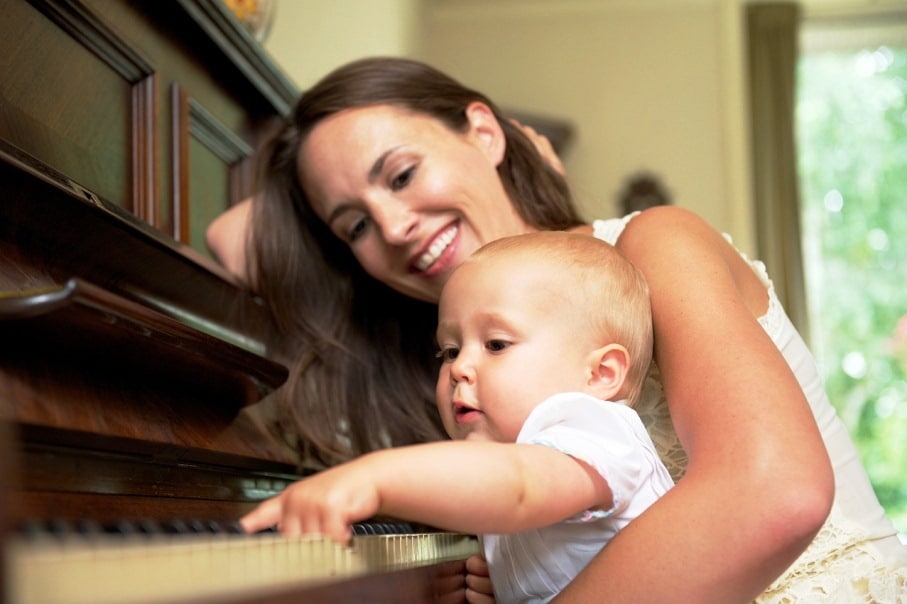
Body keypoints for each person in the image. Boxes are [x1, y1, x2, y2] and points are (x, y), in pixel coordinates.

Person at [208, 57, 907, 602]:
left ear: (483, 131)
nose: (391, 228)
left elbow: (774, 495)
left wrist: (514, 188)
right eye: (353, 225)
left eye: (401, 173)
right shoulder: (460, 367)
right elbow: (228, 238)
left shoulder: (649, 245)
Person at [240, 231, 675, 602]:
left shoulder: (596, 432)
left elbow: (519, 487)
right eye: (449, 351)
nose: (458, 369)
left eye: (497, 344)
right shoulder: (523, 458)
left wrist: (373, 479)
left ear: (600, 374)